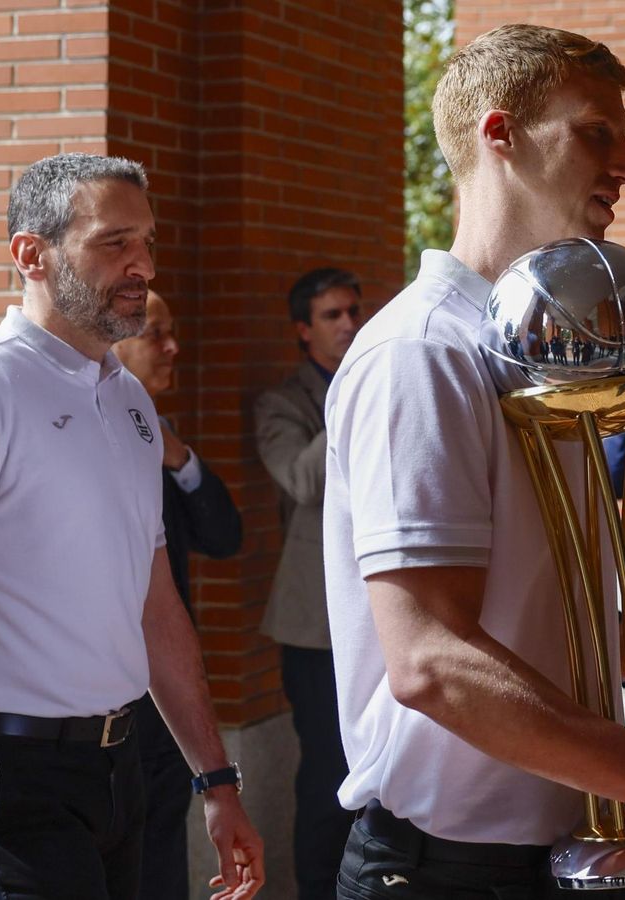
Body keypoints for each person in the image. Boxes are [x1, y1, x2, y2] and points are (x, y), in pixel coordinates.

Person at [321, 23, 625, 900]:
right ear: (500, 135)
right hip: (446, 872)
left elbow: (491, 610)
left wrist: (603, 643)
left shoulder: (523, 348)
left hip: (548, 854)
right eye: (596, 131)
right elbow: (432, 661)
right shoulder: (422, 352)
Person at [0, 153, 263, 900]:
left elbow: (157, 606)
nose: (141, 264)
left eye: (147, 241)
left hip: (121, 764)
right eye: (114, 243)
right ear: (29, 254)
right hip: (2, 779)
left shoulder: (131, 401)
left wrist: (218, 783)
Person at [114, 290, 244, 900]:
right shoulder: (89, 439)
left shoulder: (158, 437)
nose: (173, 348)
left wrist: (182, 460)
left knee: (161, 866)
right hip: (96, 703)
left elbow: (225, 535)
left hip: (166, 702)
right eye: (155, 334)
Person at [254, 266, 363, 899]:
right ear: (303, 330)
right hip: (315, 627)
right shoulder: (283, 402)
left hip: (382, 614)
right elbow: (301, 480)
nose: (349, 324)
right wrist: (347, 394)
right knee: (327, 775)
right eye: (332, 316)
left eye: (353, 311)